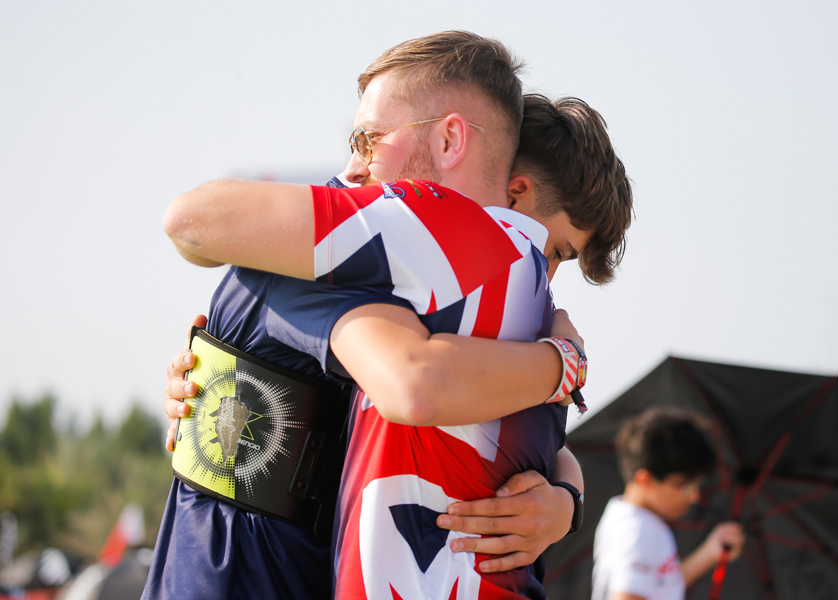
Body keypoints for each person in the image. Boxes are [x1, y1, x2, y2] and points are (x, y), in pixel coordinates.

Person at [154, 32, 632, 600]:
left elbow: (465, 409)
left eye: (371, 139)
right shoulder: (386, 245)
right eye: (551, 250)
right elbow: (418, 383)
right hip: (235, 563)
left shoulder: (456, 284)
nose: (535, 270)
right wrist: (564, 365)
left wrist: (565, 497)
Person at [592, 409, 746, 600]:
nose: (694, 496)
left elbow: (661, 587)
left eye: (696, 484)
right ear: (645, 480)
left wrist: (709, 552)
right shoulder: (638, 530)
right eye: (683, 485)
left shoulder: (630, 516)